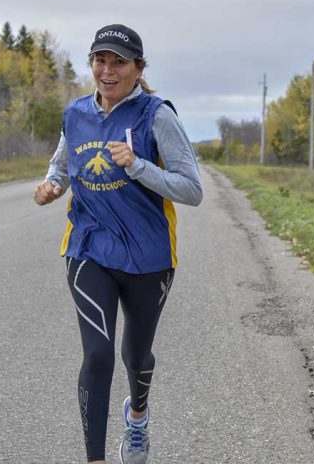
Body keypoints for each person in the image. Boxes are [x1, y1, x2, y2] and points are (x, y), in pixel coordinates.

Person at [33, 24, 202, 464]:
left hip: (149, 256)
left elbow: (192, 189)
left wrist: (139, 166)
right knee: (98, 355)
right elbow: (61, 168)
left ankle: (138, 417)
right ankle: (95, 458)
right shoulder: (75, 114)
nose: (107, 71)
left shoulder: (157, 114)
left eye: (119, 62)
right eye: (100, 60)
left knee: (136, 355)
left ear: (137, 68)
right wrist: (51, 186)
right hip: (89, 248)